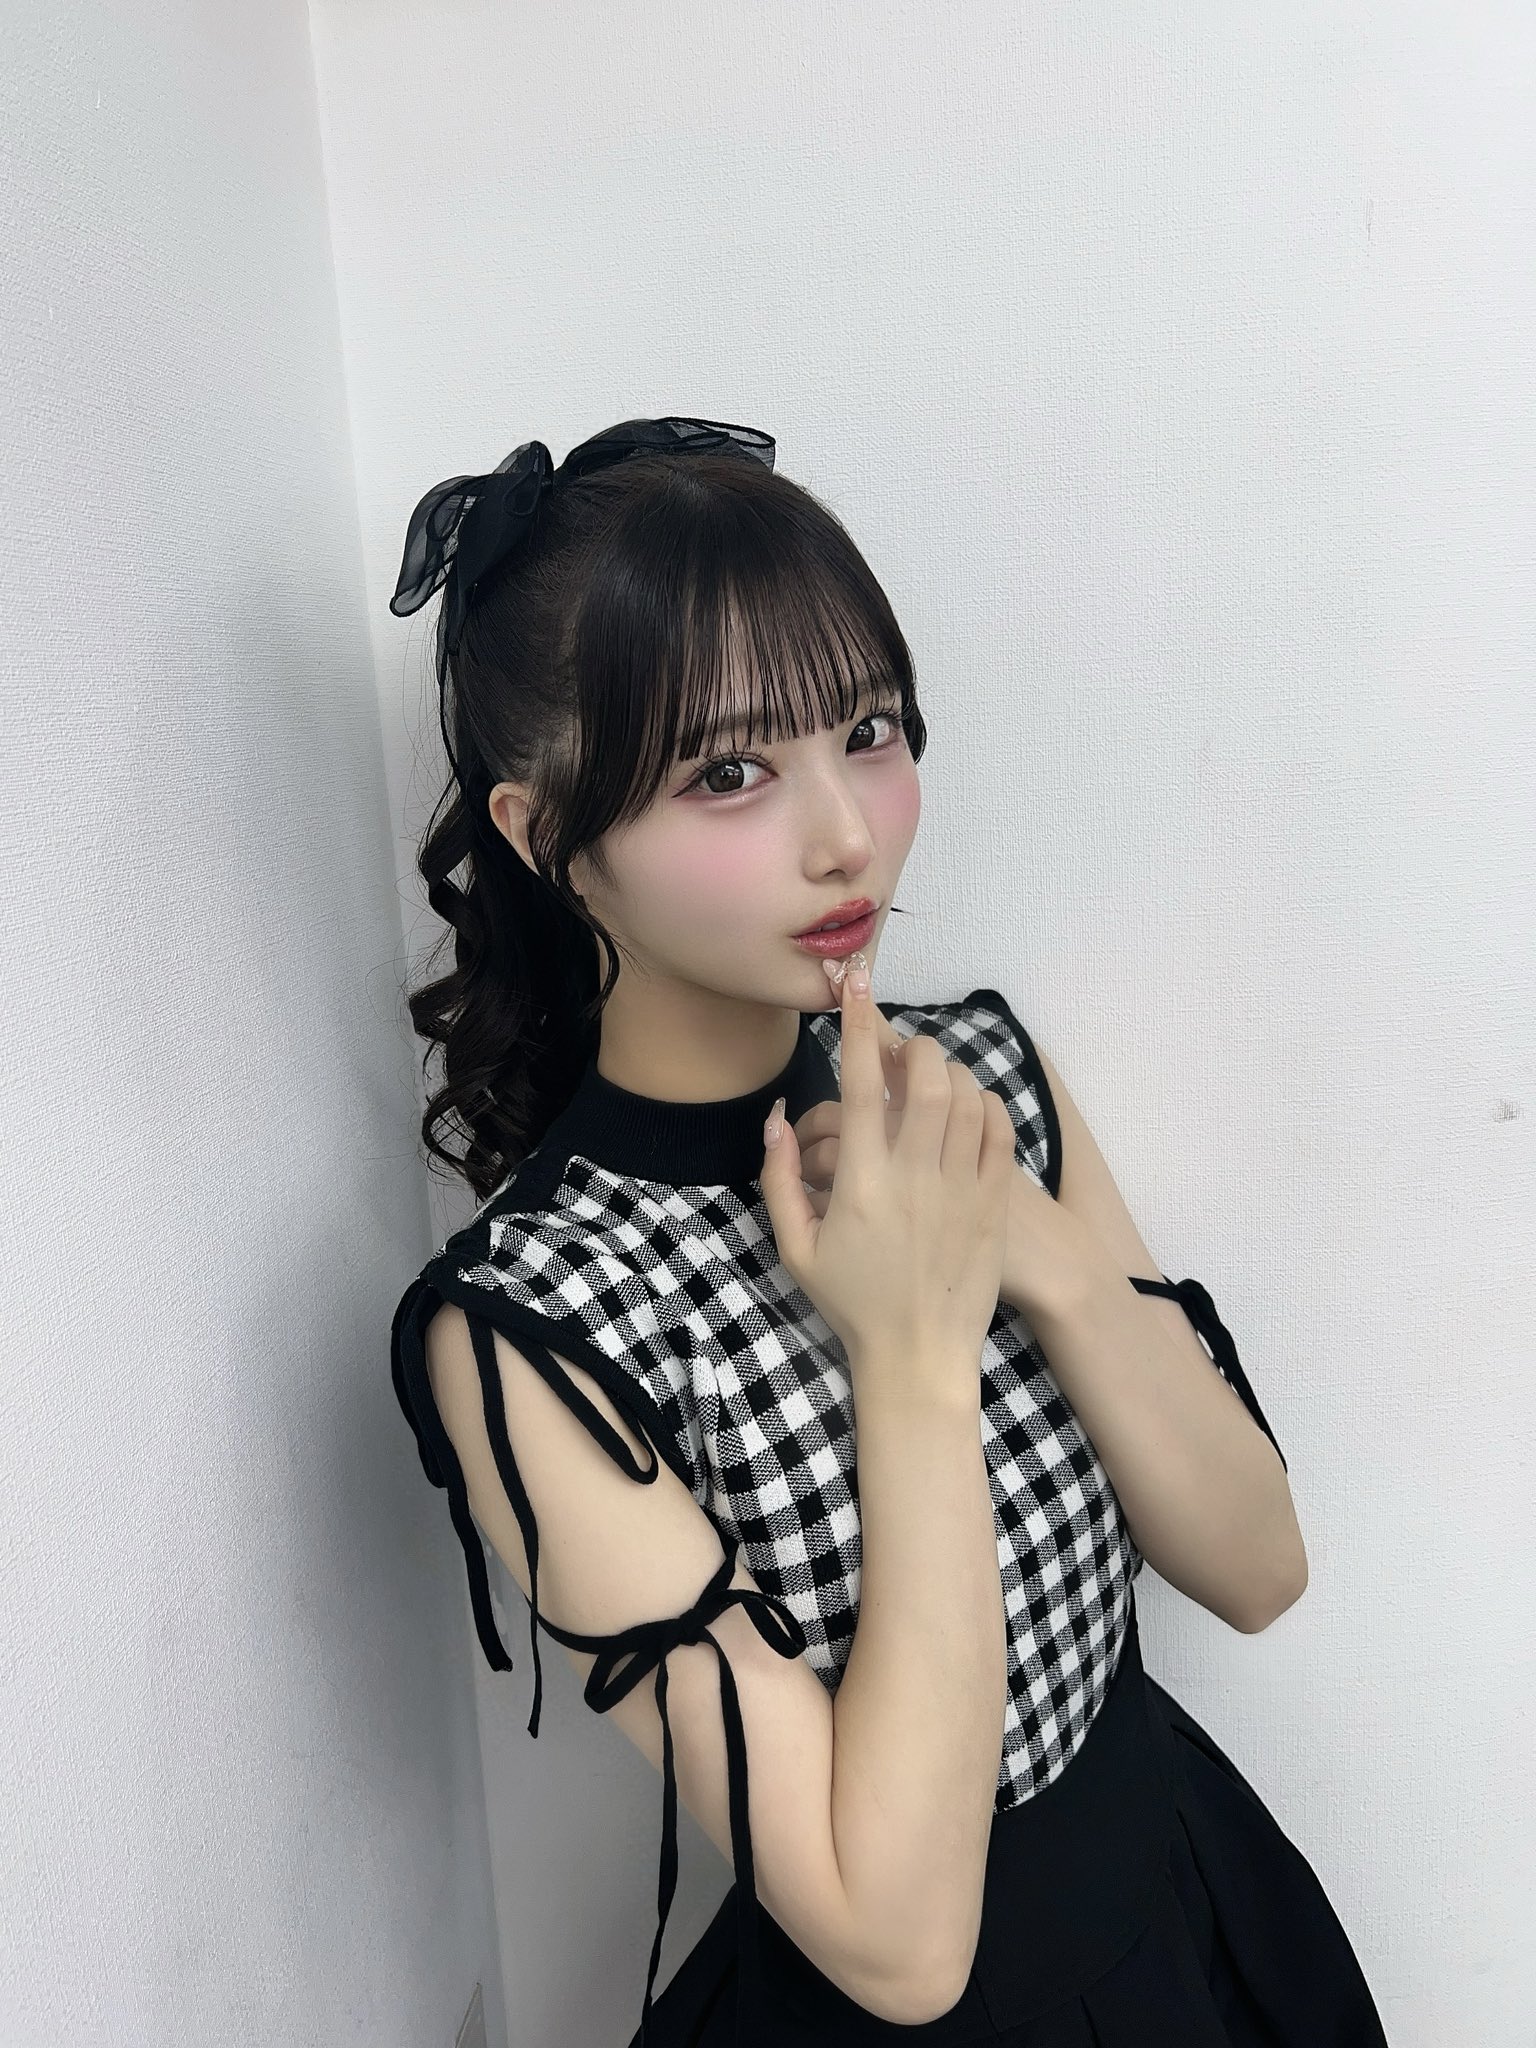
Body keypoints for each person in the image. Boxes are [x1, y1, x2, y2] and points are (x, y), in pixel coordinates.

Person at [386, 416, 1389, 2045]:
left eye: (867, 731)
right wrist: (911, 1350)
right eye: (729, 773)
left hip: (1189, 1918)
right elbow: (901, 1948)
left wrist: (1030, 1247)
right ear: (541, 833)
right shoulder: (533, 1324)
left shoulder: (979, 1075)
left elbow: (1258, 1568)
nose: (848, 833)